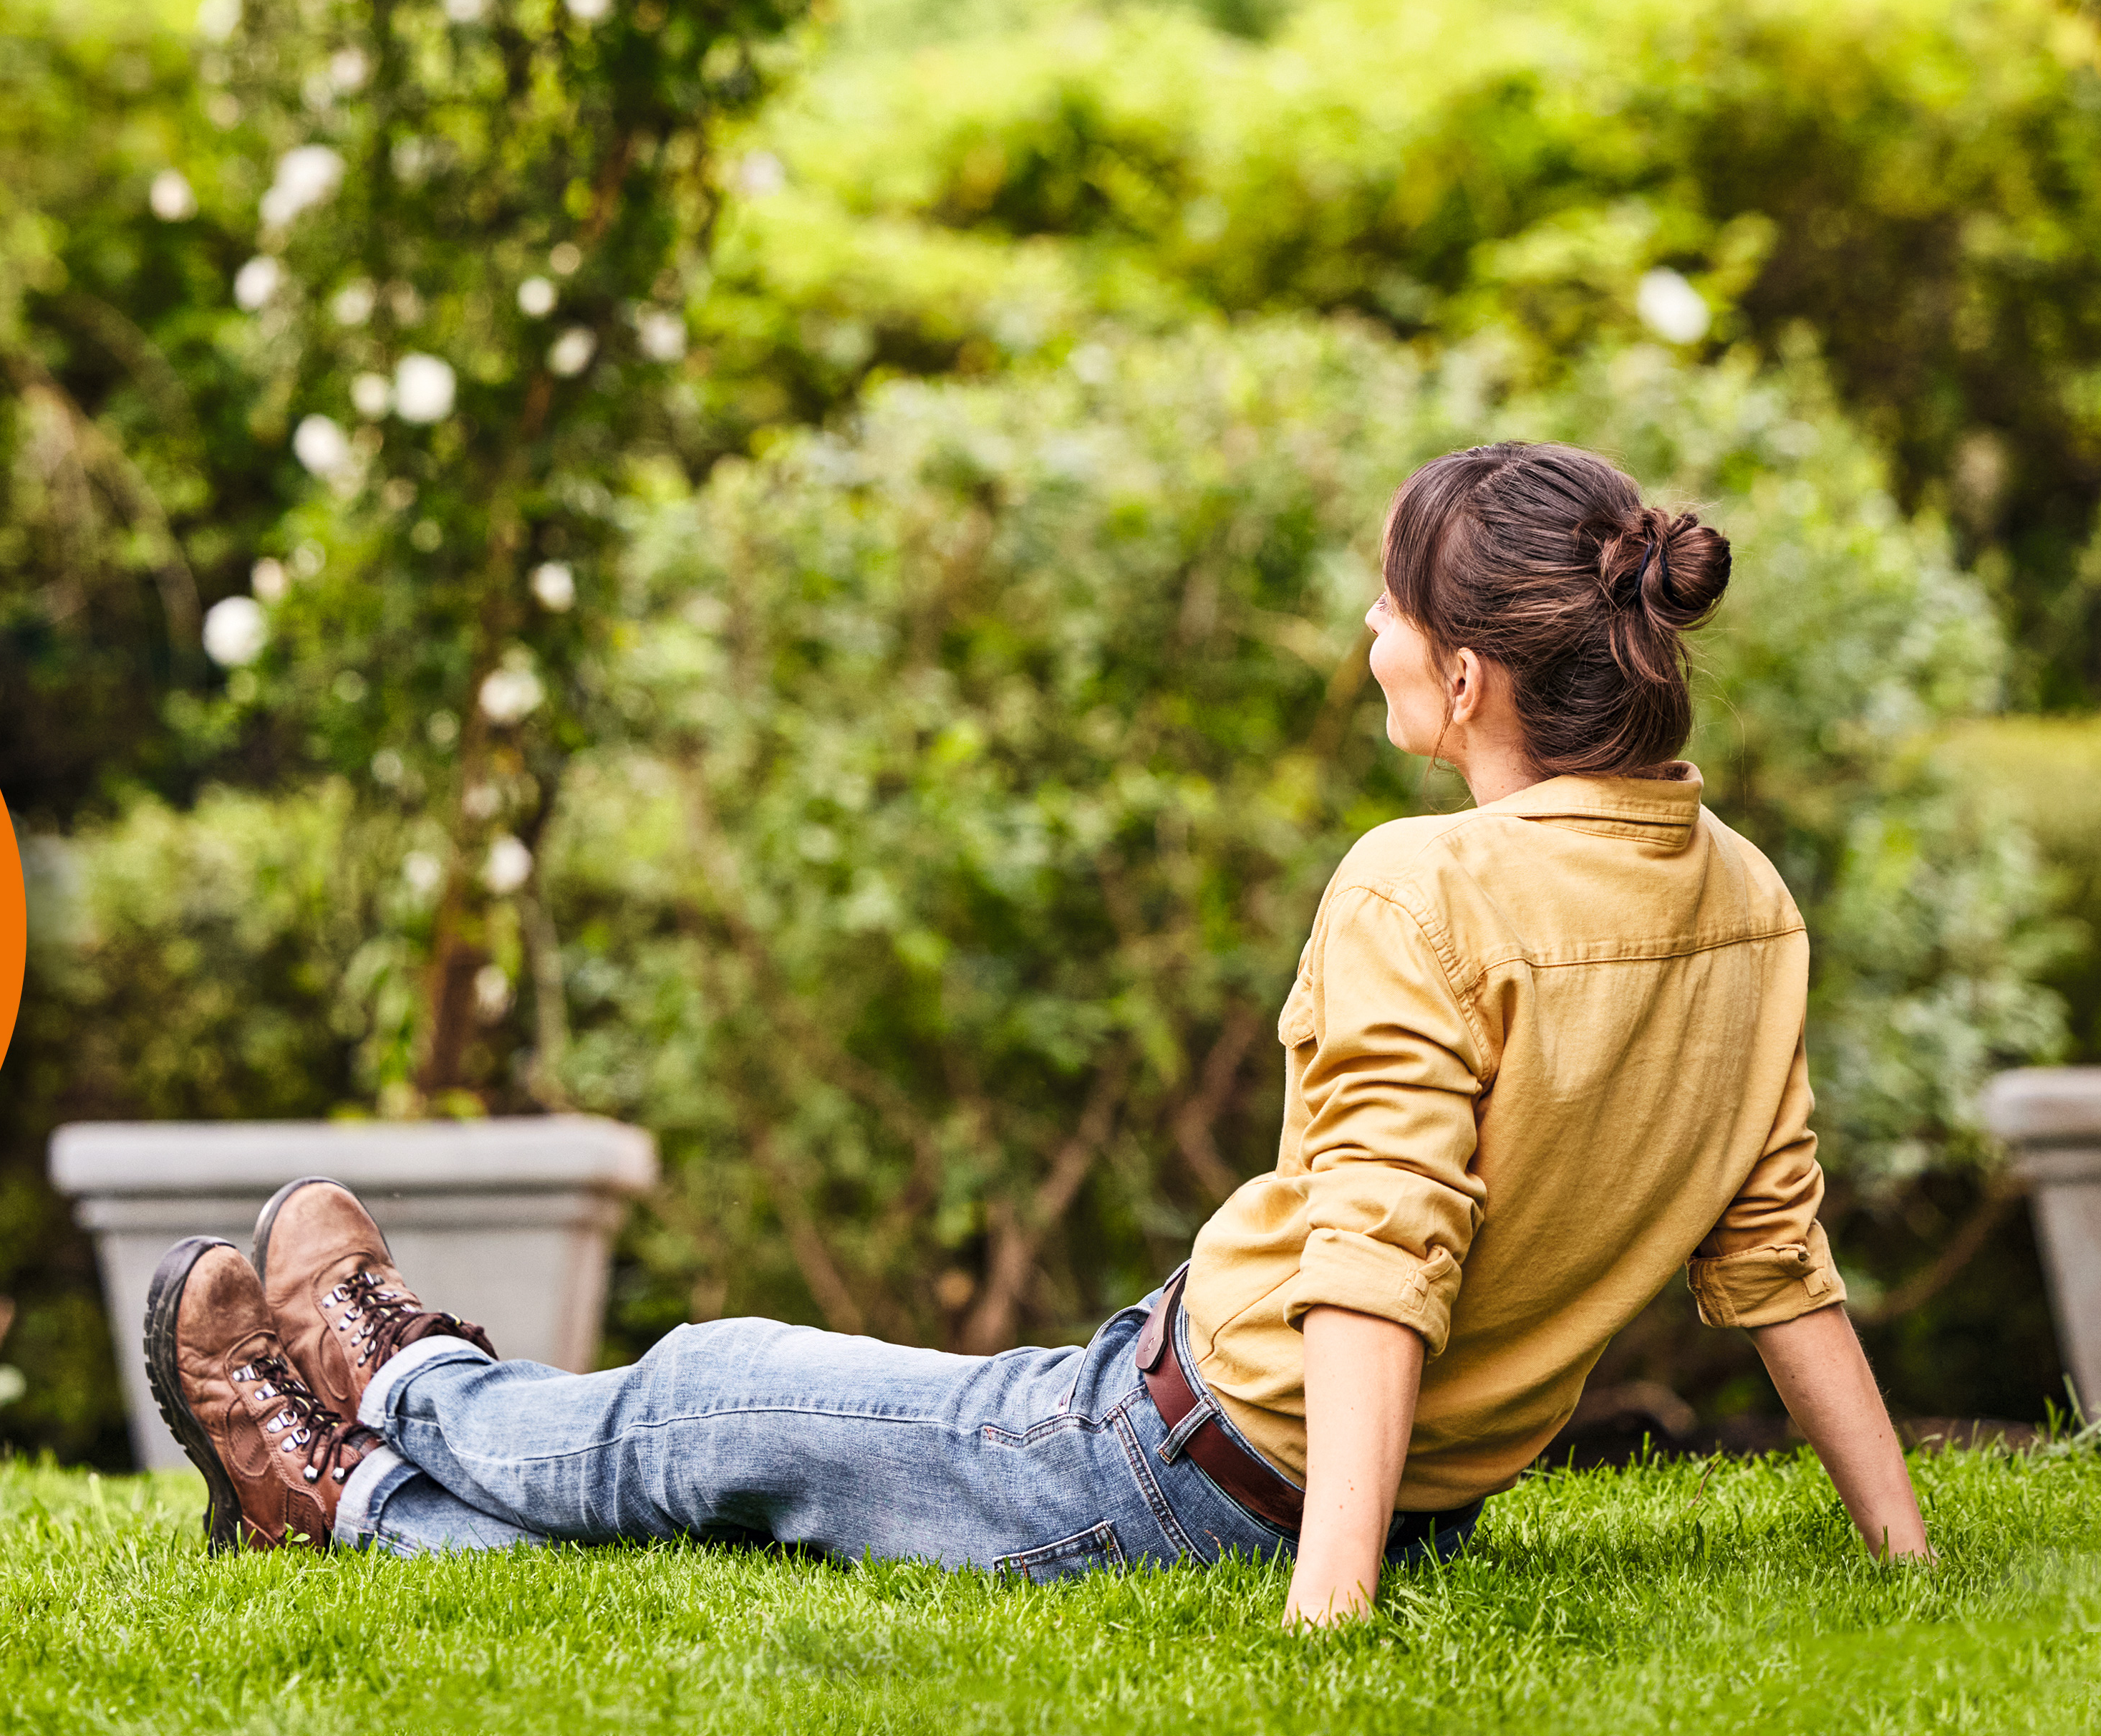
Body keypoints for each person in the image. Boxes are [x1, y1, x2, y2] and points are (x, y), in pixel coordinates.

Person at [141, 440, 1933, 1626]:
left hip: (1159, 1461)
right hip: (1317, 1466)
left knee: (699, 1401)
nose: (1365, 635)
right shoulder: (1744, 894)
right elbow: (1767, 1244)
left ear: (1465, 676)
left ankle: (383, 1391)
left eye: (1388, 606)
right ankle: (354, 1493)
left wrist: (1330, 1609)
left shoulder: (1426, 887)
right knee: (713, 1521)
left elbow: (1384, 1260)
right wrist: (1901, 1553)